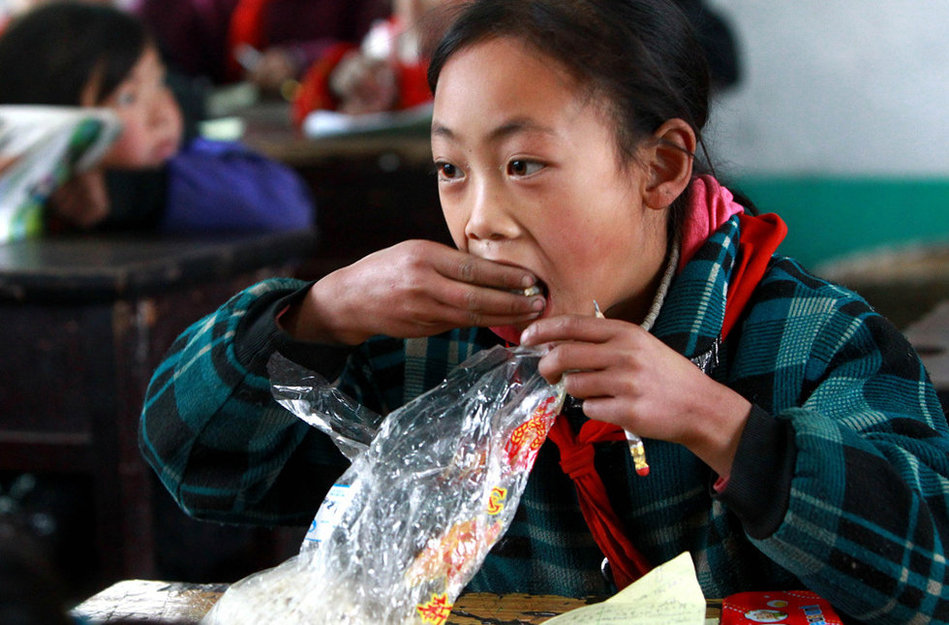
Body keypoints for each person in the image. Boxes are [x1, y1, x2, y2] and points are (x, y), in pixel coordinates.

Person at [138, 1, 949, 623]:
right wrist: (316, 314)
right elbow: (193, 465)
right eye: (451, 167)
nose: (479, 217)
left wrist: (724, 426)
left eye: (523, 163)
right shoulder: (430, 350)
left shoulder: (812, 341)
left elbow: (929, 577)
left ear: (661, 167)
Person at [0, 1, 315, 234]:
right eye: (128, 97)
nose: (163, 113)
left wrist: (136, 194)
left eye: (161, 83)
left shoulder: (186, 159)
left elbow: (288, 204)